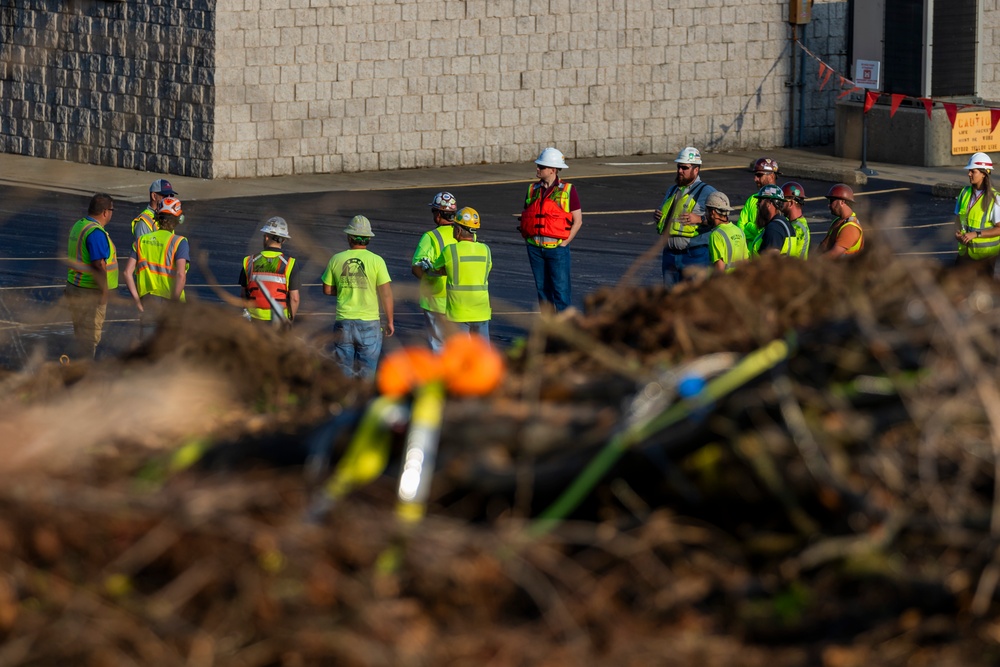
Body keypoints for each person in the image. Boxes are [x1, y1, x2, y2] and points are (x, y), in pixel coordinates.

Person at [321, 215, 394, 379]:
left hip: (344, 322)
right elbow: (386, 293)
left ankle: (344, 402)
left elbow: (327, 289)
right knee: (367, 373)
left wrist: (346, 288)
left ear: (349, 237)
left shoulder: (336, 259)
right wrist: (390, 321)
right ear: (368, 238)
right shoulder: (377, 261)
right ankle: (363, 402)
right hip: (369, 323)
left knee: (343, 373)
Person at [518, 147, 582, 312]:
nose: (537, 169)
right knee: (543, 292)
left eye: (542, 166)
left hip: (557, 249)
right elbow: (527, 214)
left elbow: (578, 221)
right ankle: (549, 332)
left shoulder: (568, 190)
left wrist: (565, 243)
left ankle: (564, 333)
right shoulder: (532, 189)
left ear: (553, 170)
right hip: (535, 249)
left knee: (561, 292)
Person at [122, 196, 189, 340]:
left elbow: (127, 272)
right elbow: (181, 275)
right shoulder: (179, 242)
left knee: (148, 348)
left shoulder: (142, 241)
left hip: (149, 301)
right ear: (178, 220)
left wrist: (137, 301)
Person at [421, 207, 492, 340]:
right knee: (482, 356)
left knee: (459, 355)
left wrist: (426, 267)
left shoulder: (450, 250)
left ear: (458, 230)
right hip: (481, 312)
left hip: (459, 313)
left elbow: (435, 270)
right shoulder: (486, 250)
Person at [653, 146, 717, 288]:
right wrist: (659, 216)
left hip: (694, 255)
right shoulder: (673, 190)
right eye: (678, 167)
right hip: (670, 254)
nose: (679, 171)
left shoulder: (708, 192)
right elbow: (667, 212)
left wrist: (699, 219)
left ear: (696, 169)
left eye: (684, 168)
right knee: (670, 300)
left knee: (694, 299)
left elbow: (721, 219)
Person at [65, 193, 118, 359]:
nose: (112, 213)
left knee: (81, 337)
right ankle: (84, 375)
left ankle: (78, 371)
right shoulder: (95, 233)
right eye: (112, 210)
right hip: (89, 291)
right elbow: (99, 264)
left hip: (75, 286)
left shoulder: (79, 225)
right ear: (104, 212)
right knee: (89, 339)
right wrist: (104, 292)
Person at [411, 191, 459, 351]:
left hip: (436, 300)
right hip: (460, 300)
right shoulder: (465, 235)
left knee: (438, 344)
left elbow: (416, 268)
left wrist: (426, 281)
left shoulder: (430, 237)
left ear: (438, 214)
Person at [240, 216, 301, 327]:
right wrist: (290, 320)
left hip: (254, 319)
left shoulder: (249, 261)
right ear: (283, 239)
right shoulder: (290, 264)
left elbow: (244, 293)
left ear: (267, 237)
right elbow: (294, 298)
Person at [954, 152, 1000, 266]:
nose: (969, 174)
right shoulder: (964, 193)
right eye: (969, 171)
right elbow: (958, 218)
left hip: (985, 257)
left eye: (973, 171)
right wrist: (957, 233)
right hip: (965, 253)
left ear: (984, 173)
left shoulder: (995, 199)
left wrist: (976, 234)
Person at [737, 157, 780, 243]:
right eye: (755, 175)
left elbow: (773, 233)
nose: (755, 179)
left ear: (771, 176)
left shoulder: (781, 200)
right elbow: (740, 228)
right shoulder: (752, 199)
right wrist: (759, 234)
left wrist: (749, 226)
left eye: (759, 175)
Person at [706, 192, 748, 273]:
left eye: (707, 210)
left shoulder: (716, 235)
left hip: (725, 283)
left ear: (713, 212)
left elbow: (719, 269)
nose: (706, 214)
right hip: (739, 281)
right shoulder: (739, 231)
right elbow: (746, 262)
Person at [820, 184, 865, 258]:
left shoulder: (850, 228)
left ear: (842, 202)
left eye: (831, 201)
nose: (829, 205)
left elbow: (833, 255)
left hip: (844, 269)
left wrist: (814, 263)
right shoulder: (838, 221)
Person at [755, 184, 795, 256]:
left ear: (769, 203)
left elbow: (771, 262)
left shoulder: (773, 229)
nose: (757, 204)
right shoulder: (786, 224)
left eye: (760, 201)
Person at [780, 181, 811, 259]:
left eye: (782, 201)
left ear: (790, 203)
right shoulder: (794, 224)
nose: (779, 204)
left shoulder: (799, 228)